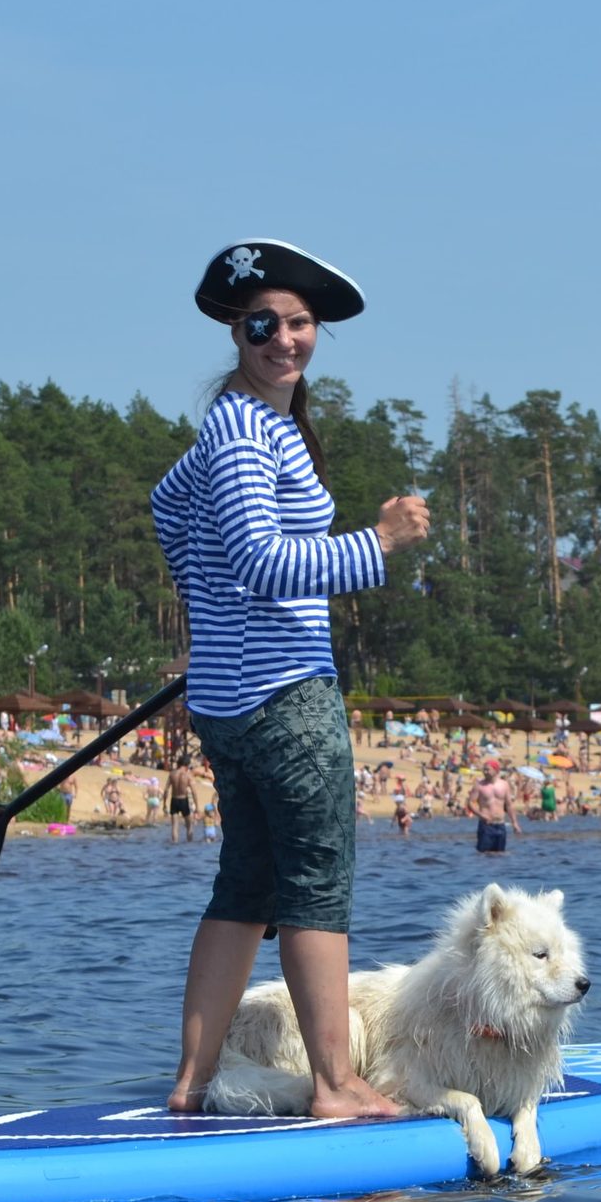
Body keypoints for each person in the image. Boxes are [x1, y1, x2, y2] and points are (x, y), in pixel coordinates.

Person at [150, 237, 429, 1118]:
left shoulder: (233, 430)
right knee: (317, 886)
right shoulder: (243, 426)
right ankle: (335, 1085)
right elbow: (260, 558)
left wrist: (209, 622)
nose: (283, 338)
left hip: (231, 702)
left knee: (246, 885)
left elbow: (169, 507)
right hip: (284, 696)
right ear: (236, 328)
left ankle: (193, 1085)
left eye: (299, 323)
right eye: (263, 322)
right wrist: (376, 543)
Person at [470, 758, 519, 854]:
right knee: (483, 854)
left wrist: (514, 823)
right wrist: (481, 815)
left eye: (488, 769)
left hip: (500, 825)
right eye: (484, 769)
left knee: (500, 854)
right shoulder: (479, 785)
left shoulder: (504, 785)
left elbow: (509, 805)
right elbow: (471, 803)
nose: (485, 772)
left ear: (496, 770)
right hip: (486, 825)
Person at [167, 756, 196, 844]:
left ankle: (175, 843)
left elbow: (166, 790)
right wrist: (197, 807)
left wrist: (164, 803)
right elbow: (194, 792)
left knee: (175, 826)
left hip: (174, 800)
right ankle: (189, 843)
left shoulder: (172, 774)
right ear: (186, 765)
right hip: (184, 800)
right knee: (189, 825)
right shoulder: (188, 775)